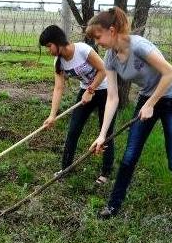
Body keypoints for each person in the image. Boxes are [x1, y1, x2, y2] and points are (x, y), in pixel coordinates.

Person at [87, 7, 172, 224]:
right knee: (128, 158)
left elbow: (170, 73)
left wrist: (151, 103)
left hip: (171, 100)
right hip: (147, 101)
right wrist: (102, 134)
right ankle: (113, 205)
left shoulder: (138, 46)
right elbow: (113, 98)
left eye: (98, 37)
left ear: (112, 30)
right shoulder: (110, 57)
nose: (97, 43)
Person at [39, 25, 116, 185]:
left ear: (57, 41)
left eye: (49, 46)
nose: (49, 50)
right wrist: (52, 115)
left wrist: (91, 89)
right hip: (86, 92)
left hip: (105, 90)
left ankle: (106, 172)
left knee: (106, 131)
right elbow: (59, 87)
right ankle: (65, 168)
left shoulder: (82, 50)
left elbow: (103, 70)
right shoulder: (58, 62)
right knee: (73, 130)